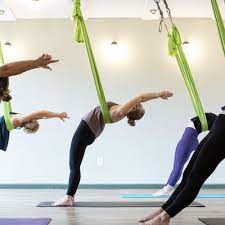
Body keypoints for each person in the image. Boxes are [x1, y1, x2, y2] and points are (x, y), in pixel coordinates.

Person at [53, 91, 174, 206]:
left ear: (133, 109)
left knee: (74, 166)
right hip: (89, 131)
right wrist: (157, 95)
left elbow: (141, 96)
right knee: (75, 165)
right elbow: (142, 98)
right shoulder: (121, 109)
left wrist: (159, 94)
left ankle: (69, 197)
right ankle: (70, 196)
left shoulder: (120, 111)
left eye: (138, 105)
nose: (138, 103)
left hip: (85, 131)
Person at [139, 107, 225, 225]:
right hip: (221, 122)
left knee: (195, 177)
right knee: (188, 173)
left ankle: (165, 217)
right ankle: (163, 210)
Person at [153, 113, 217, 197]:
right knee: (180, 166)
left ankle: (167, 188)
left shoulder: (215, 121)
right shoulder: (215, 121)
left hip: (191, 138)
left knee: (178, 166)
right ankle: (168, 188)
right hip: (196, 133)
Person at [0, 109, 69, 152]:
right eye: (36, 123)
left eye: (35, 125)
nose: (36, 121)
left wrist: (58, 115)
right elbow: (44, 116)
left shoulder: (20, 120)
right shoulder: (24, 121)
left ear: (28, 127)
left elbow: (41, 113)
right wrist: (57, 115)